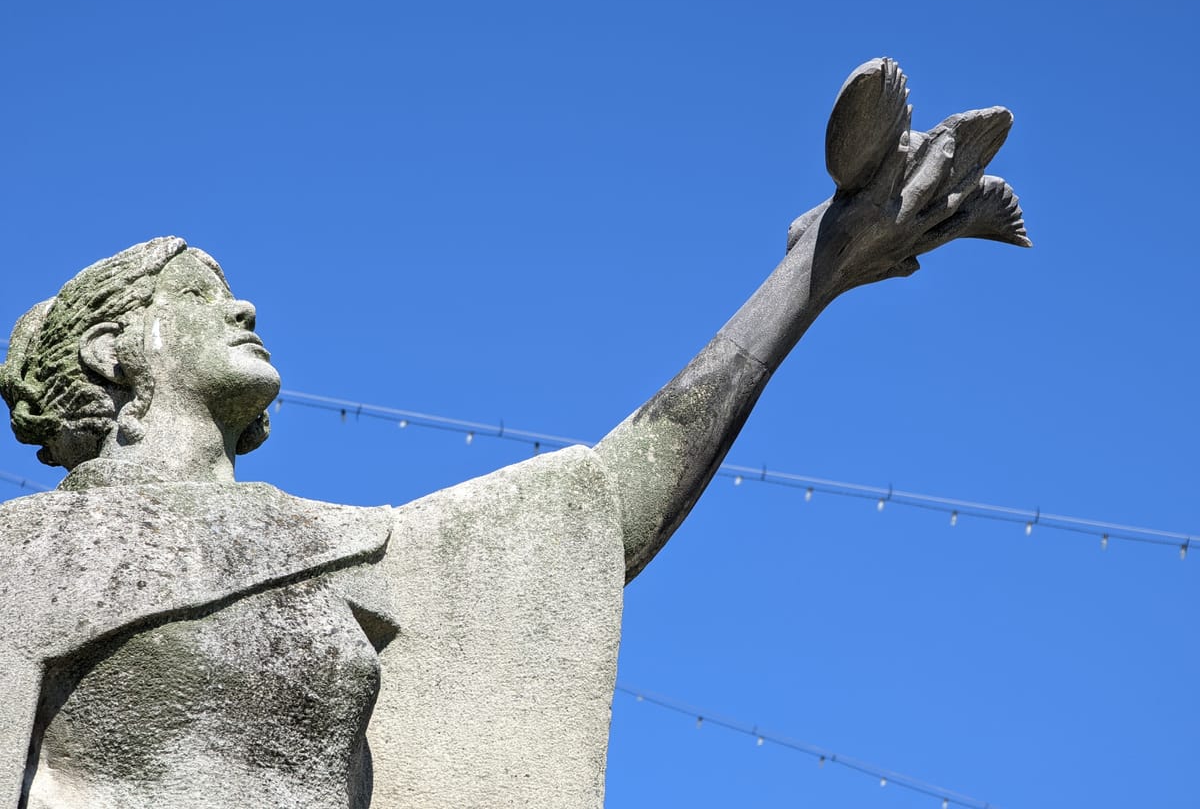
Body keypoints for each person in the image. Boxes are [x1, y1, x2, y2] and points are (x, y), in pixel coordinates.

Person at [0, 59, 1028, 809]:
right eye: (200, 292)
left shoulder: (336, 548)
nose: (243, 307)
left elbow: (592, 513)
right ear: (111, 352)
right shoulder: (20, 559)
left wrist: (814, 272)